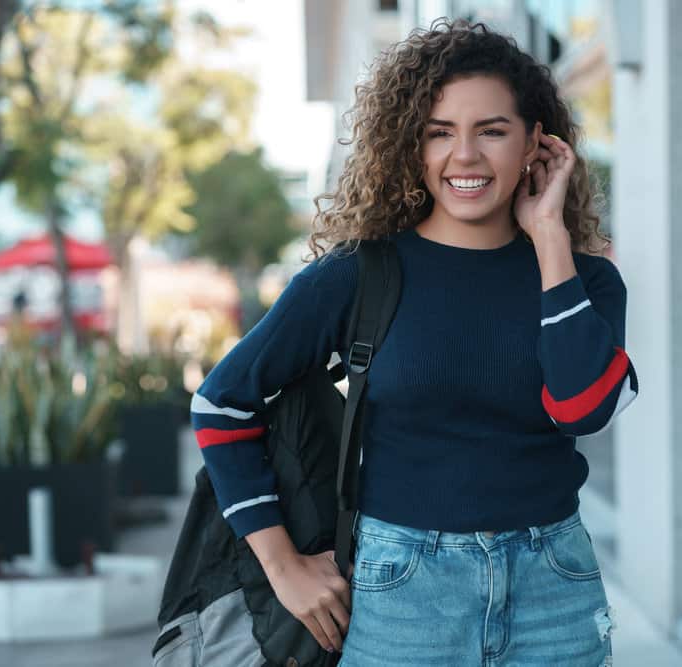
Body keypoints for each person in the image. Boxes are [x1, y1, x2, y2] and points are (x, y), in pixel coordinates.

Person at [191, 18, 639, 666]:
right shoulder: (357, 274)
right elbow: (222, 403)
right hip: (404, 593)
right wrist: (283, 565)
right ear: (413, 146)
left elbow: (584, 409)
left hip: (554, 586)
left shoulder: (584, 279)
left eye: (491, 130)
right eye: (439, 133)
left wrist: (549, 239)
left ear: (537, 143)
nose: (465, 156)